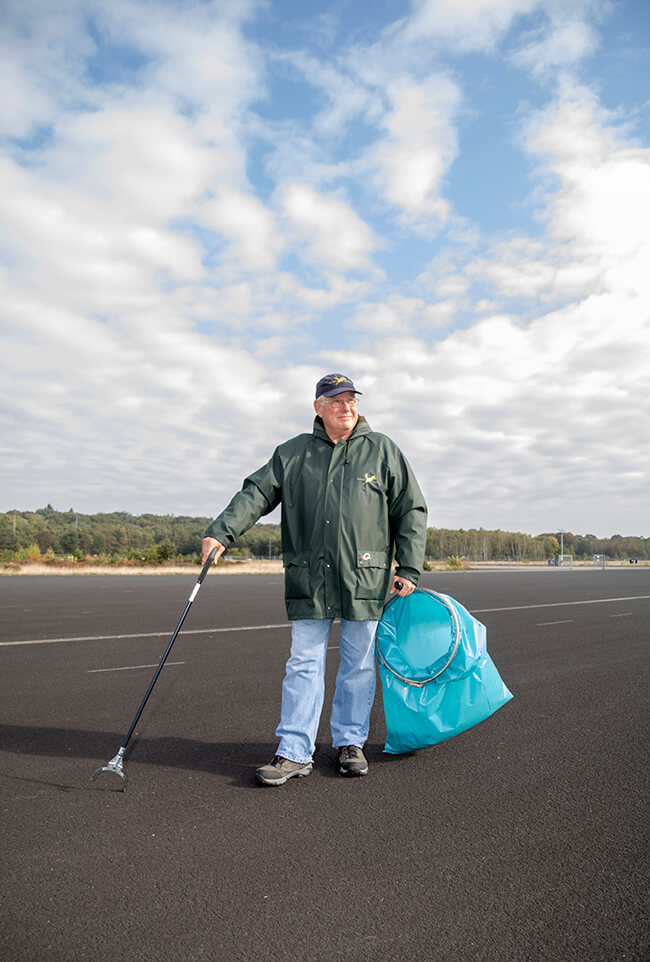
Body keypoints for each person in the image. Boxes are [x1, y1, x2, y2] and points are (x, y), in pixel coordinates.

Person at [202, 373, 427, 786]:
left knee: (358, 665)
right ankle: (293, 751)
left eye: (351, 399)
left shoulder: (382, 451)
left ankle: (350, 743)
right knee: (304, 663)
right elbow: (256, 492)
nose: (346, 406)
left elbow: (410, 510)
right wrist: (222, 532)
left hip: (366, 577)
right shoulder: (293, 454)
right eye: (336, 400)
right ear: (318, 407)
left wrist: (408, 568)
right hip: (311, 578)